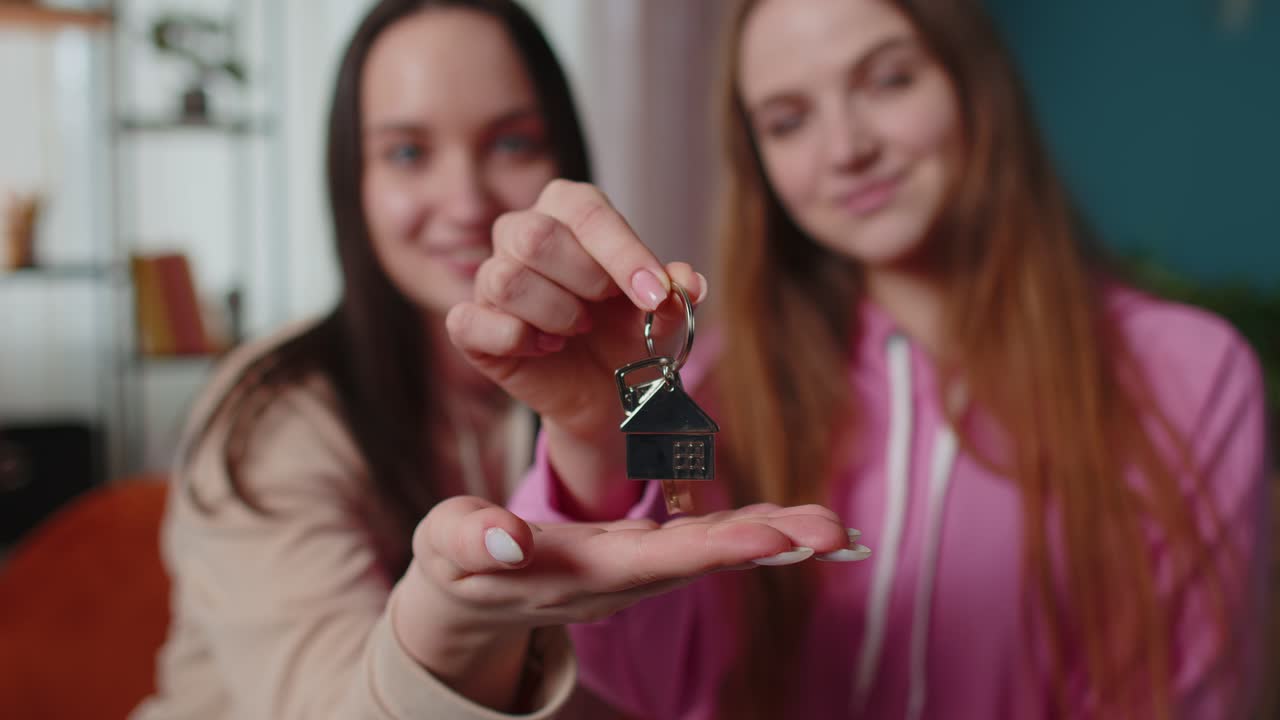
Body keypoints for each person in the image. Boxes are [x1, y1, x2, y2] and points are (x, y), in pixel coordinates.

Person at [448, 0, 1271, 718]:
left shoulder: (1191, 376)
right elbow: (634, 670)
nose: (846, 149)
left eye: (888, 80)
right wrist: (598, 431)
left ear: (972, 80)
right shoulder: (700, 392)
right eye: (788, 120)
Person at [131, 1, 861, 718]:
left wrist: (594, 443)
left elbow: (676, 669)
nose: (465, 202)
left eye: (512, 144)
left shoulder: (647, 376)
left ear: (566, 160)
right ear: (352, 182)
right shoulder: (273, 414)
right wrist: (454, 631)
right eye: (408, 153)